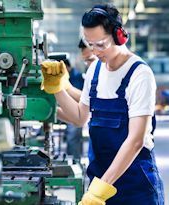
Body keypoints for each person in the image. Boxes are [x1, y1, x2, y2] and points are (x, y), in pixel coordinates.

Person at [41, 4, 164, 204]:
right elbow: (80, 117)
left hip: (136, 186)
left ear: (119, 36)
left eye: (101, 44)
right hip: (101, 179)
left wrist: (99, 191)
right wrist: (57, 89)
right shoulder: (95, 71)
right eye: (90, 44)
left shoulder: (139, 75)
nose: (95, 52)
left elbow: (135, 141)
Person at [63, 58, 84, 160]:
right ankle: (72, 158)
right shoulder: (70, 75)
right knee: (72, 138)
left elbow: (78, 98)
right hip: (70, 110)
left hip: (78, 111)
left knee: (73, 137)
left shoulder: (76, 76)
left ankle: (75, 160)